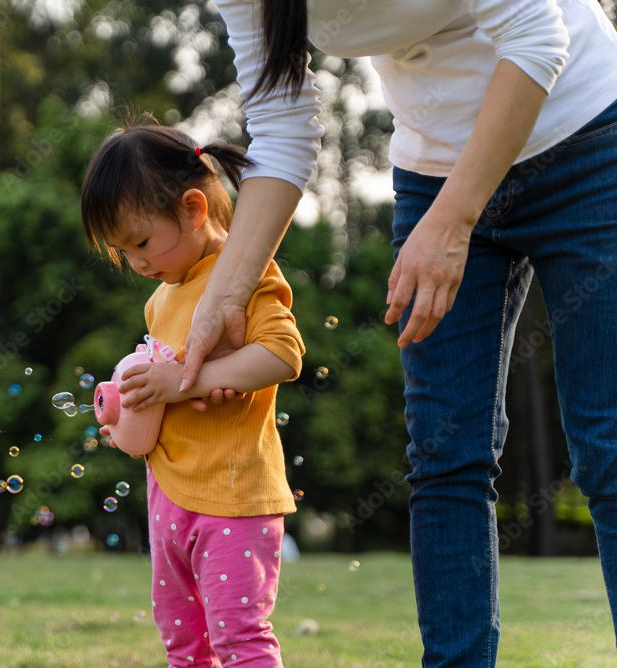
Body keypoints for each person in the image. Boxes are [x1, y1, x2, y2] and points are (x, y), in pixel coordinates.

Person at [136, 1, 617, 665]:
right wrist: (224, 296)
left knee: (607, 442)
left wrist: (452, 224)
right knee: (445, 455)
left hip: (582, 134)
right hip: (433, 164)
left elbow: (536, 35)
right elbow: (281, 124)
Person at [81, 118, 306, 667]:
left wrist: (184, 383)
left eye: (141, 242)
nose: (137, 263)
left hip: (233, 496)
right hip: (169, 497)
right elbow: (164, 393)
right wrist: (132, 420)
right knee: (183, 644)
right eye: (122, 252)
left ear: (193, 209)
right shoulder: (159, 301)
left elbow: (284, 354)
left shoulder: (243, 272)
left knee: (239, 639)